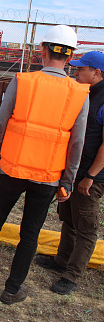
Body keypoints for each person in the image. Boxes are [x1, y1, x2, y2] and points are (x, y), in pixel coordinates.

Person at [0, 25, 90, 305]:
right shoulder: (80, 94)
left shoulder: (23, 81)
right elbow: (77, 143)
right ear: (70, 57)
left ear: (42, 51)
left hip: (12, 169)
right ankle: (12, 290)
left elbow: (0, 123)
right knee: (30, 233)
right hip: (47, 178)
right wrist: (67, 181)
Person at [35, 51, 104, 295]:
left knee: (86, 226)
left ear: (96, 73)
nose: (75, 72)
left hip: (90, 176)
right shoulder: (85, 94)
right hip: (75, 171)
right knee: (68, 217)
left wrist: (91, 176)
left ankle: (72, 275)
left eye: (81, 69)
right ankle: (61, 260)